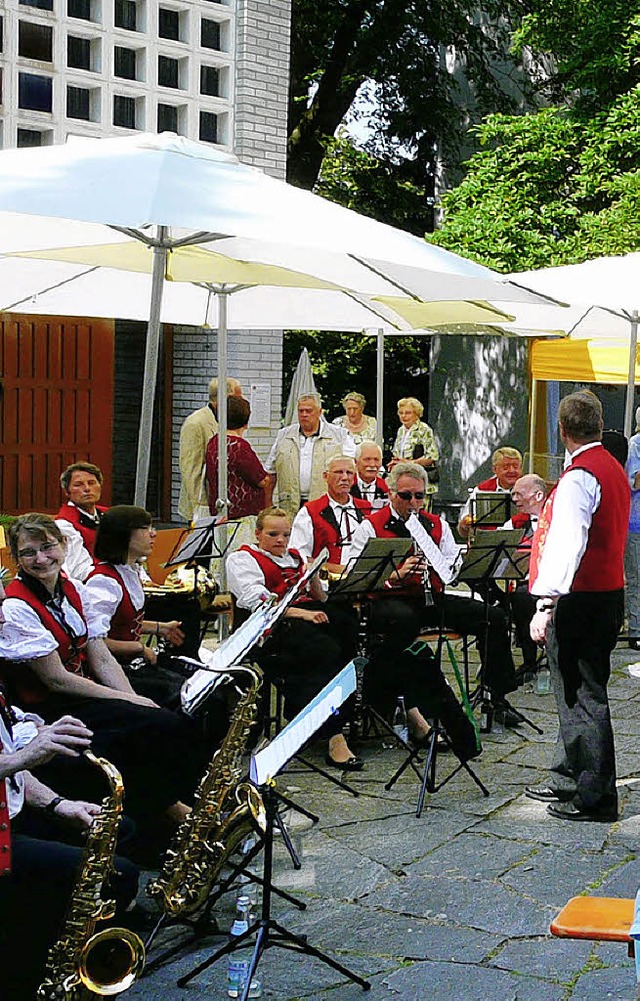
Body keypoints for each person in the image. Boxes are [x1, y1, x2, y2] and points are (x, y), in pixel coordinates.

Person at [0, 513, 210, 828]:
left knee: (168, 712)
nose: (41, 559)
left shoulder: (69, 588)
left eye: (47, 547)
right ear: (17, 559)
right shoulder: (17, 606)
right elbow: (56, 679)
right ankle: (168, 812)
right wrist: (128, 702)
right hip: (48, 705)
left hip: (78, 691)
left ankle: (181, 803)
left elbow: (100, 656)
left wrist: (131, 698)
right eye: (29, 553)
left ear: (63, 544)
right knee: (157, 724)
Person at [349, 462, 518, 724]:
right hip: (390, 600)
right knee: (403, 623)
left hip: (429, 597)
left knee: (493, 617)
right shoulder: (370, 526)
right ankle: (401, 703)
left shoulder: (435, 524)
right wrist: (397, 574)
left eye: (419, 496)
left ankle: (496, 696)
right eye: (405, 496)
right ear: (392, 494)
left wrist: (445, 565)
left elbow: (453, 563)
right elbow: (356, 573)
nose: (413, 503)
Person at [527, 391, 629, 822]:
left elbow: (567, 546)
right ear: (599, 425)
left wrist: (545, 604)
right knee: (577, 688)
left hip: (580, 598)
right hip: (607, 593)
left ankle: (596, 795)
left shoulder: (579, 477)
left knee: (583, 695)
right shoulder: (613, 468)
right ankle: (569, 773)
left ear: (562, 430)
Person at [0, 705, 139, 1001]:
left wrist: (58, 804)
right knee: (118, 876)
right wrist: (24, 755)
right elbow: (12, 761)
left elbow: (11, 768)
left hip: (11, 819)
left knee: (119, 828)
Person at [227, 507, 363, 770]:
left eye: (285, 535)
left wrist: (312, 578)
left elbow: (320, 598)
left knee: (348, 628)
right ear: (258, 534)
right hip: (272, 627)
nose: (281, 540)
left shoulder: (296, 557)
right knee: (323, 649)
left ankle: (338, 715)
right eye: (273, 534)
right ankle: (332, 732)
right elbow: (258, 602)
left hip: (304, 617)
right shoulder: (243, 559)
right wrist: (301, 613)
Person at [84, 505, 202, 708]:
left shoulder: (130, 570)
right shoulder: (103, 582)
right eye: (146, 528)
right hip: (115, 672)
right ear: (124, 534)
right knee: (189, 696)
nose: (153, 534)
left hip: (132, 664)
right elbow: (94, 642)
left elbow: (122, 620)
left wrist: (159, 627)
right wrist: (139, 648)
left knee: (203, 682)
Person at [263, 393, 355, 519]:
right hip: (288, 506)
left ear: (319, 412)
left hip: (326, 505)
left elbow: (354, 471)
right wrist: (268, 504)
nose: (304, 414)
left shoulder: (340, 436)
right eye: (301, 411)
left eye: (309, 411)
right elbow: (270, 472)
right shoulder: (283, 435)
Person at [205, 395, 270, 558]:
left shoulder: (213, 443)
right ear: (245, 420)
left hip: (221, 515)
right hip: (242, 519)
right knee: (243, 561)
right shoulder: (239, 446)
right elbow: (261, 479)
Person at [289, 454, 371, 573]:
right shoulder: (310, 511)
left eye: (349, 473)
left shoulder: (367, 508)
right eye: (338, 472)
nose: (344, 477)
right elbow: (298, 554)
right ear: (325, 476)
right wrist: (333, 568)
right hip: (325, 582)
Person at [178, 376, 243, 522]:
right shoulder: (195, 423)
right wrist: (200, 507)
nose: (241, 402)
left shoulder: (230, 419)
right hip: (204, 504)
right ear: (222, 399)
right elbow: (190, 468)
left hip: (225, 503)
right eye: (237, 398)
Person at [505, 474, 548, 681]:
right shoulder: (515, 522)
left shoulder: (557, 517)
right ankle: (529, 660)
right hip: (527, 583)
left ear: (538, 495)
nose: (514, 499)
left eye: (519, 494)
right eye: (513, 494)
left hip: (556, 581)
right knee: (520, 597)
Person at [56, 461, 108, 581]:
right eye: (78, 485)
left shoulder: (110, 515)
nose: (87, 489)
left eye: (92, 483)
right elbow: (77, 570)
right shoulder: (64, 525)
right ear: (66, 491)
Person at [458, 447, 523, 538]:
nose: (512, 471)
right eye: (506, 467)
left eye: (516, 467)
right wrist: (465, 524)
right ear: (495, 469)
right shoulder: (481, 490)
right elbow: (463, 528)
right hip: (488, 542)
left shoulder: (528, 488)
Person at [388, 397, 438, 503]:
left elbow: (432, 456)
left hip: (420, 480)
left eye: (408, 413)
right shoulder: (401, 430)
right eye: (401, 413)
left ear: (416, 414)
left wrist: (409, 463)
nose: (404, 416)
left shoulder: (424, 429)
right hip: (402, 481)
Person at [625, 407, 640, 651]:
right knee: (637, 578)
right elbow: (633, 481)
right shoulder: (635, 444)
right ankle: (636, 630)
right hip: (636, 522)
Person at [350, 441, 389, 510]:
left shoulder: (387, 488)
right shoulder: (346, 485)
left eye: (376, 460)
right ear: (356, 462)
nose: (372, 464)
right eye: (367, 459)